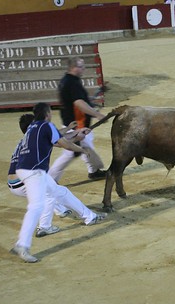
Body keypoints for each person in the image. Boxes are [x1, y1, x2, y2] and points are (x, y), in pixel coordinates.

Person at [10, 103, 106, 263]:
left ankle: (89, 217)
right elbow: (63, 143)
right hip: (33, 172)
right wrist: (82, 149)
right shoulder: (45, 126)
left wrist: (73, 131)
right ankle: (22, 244)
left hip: (25, 171)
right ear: (47, 114)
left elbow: (56, 136)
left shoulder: (34, 128)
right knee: (37, 206)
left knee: (59, 192)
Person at [48, 57, 107, 182]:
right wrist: (97, 114)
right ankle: (49, 180)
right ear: (73, 68)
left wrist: (93, 99)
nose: (83, 69)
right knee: (70, 153)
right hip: (76, 125)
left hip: (76, 123)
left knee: (86, 146)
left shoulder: (69, 80)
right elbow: (79, 103)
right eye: (81, 66)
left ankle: (94, 171)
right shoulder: (72, 83)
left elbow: (79, 101)